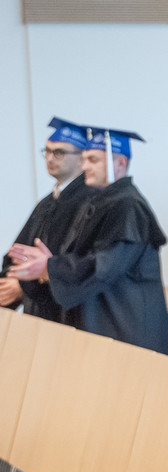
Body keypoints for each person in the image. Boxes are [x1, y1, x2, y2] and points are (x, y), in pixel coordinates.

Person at [7, 127, 168, 354]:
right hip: (102, 329)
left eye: (93, 160)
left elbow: (103, 267)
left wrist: (50, 267)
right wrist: (48, 266)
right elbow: (80, 258)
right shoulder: (99, 203)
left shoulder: (128, 206)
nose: (84, 166)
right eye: (84, 159)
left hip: (128, 334)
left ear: (120, 162)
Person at [2, 118, 93, 321]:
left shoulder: (90, 202)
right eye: (47, 151)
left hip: (67, 314)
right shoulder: (48, 202)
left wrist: (24, 285)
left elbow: (77, 263)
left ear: (82, 157)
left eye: (59, 152)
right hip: (39, 312)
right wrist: (12, 279)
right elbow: (19, 250)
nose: (50, 158)